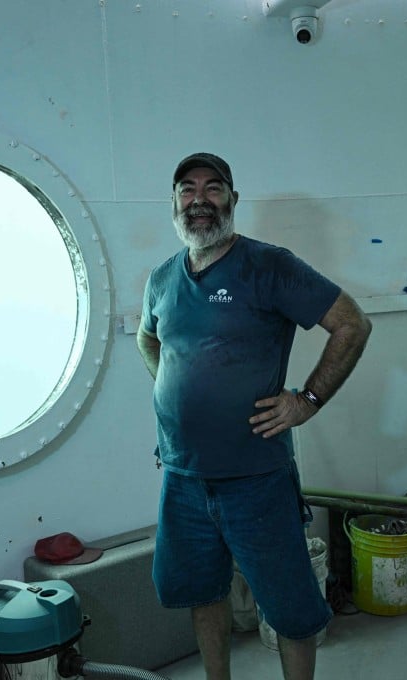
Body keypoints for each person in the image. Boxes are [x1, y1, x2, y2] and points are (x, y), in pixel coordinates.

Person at [137, 153, 371, 680]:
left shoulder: (270, 266)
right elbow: (148, 336)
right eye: (187, 189)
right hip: (182, 476)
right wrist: (171, 393)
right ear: (174, 203)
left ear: (232, 200)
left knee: (290, 609)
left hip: (256, 478)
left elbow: (352, 324)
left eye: (213, 188)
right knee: (203, 593)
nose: (200, 200)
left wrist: (306, 401)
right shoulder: (160, 279)